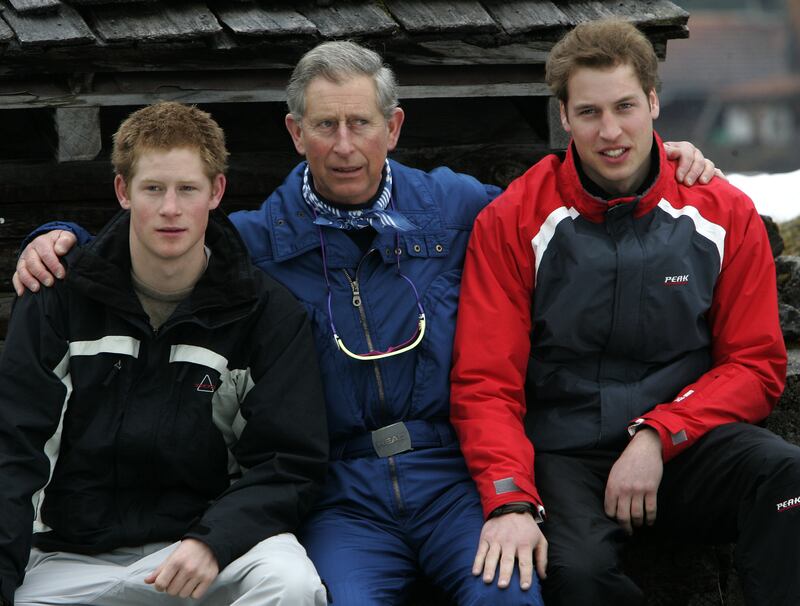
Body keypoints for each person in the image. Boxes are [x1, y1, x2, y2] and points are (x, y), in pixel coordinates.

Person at [12, 42, 717, 605]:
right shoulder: (257, 240)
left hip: (451, 470)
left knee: (510, 588)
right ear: (296, 133)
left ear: (394, 126)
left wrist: (668, 161)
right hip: (339, 485)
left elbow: (561, 198)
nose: (345, 145)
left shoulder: (458, 206)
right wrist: (61, 234)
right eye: (325, 125)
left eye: (361, 123)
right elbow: (165, 228)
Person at [450, 18, 799, 606]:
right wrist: (508, 495)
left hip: (686, 443)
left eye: (625, 106)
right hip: (564, 453)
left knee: (790, 480)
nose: (610, 131)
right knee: (576, 576)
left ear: (654, 102)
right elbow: (485, 382)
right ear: (564, 116)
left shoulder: (722, 212)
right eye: (589, 112)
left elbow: (756, 363)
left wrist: (658, 435)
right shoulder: (513, 220)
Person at [0, 101, 329, 606]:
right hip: (68, 557)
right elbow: (13, 449)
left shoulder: (265, 311)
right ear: (122, 191)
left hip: (203, 549)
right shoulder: (56, 298)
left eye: (187, 189)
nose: (170, 208)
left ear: (216, 192)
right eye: (153, 188)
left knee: (290, 583)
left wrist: (214, 540)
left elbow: (289, 460)